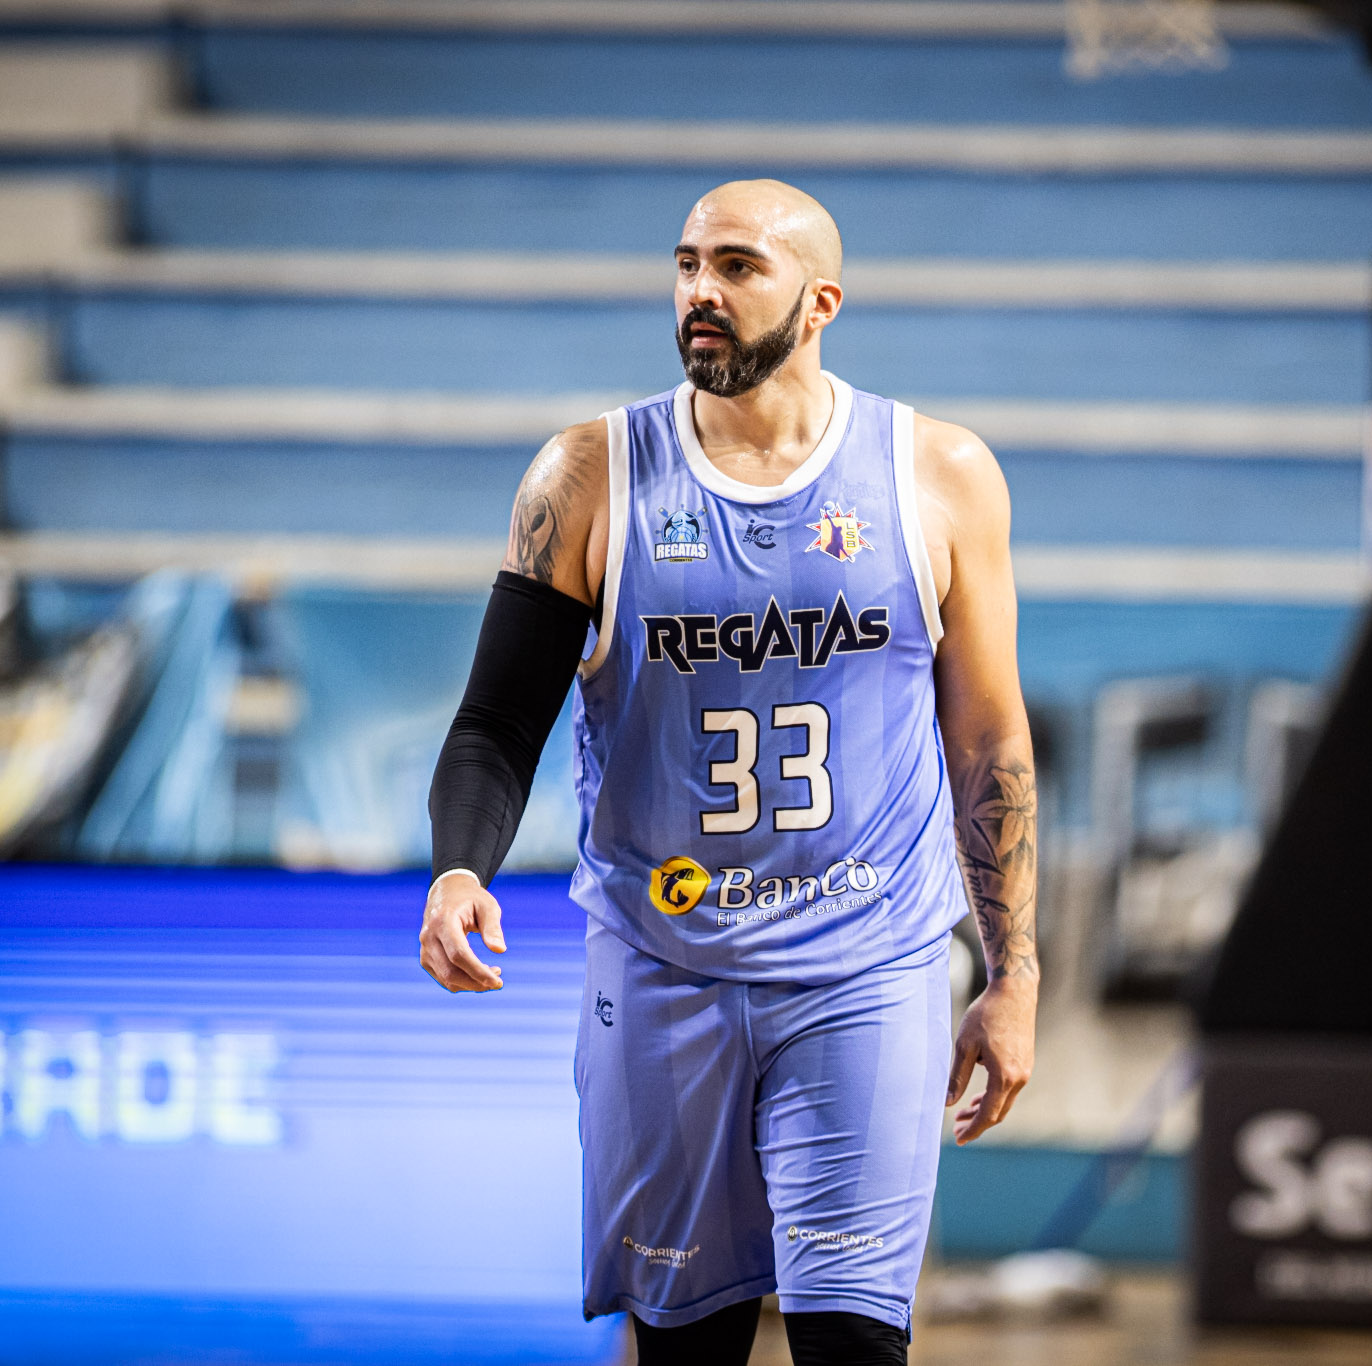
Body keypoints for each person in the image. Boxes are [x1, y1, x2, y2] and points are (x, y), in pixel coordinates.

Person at [420, 179, 1037, 1366]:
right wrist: (459, 869)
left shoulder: (939, 474)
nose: (700, 291)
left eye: (738, 267)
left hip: (866, 962)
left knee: (851, 1340)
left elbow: (987, 745)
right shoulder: (585, 476)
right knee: (683, 1348)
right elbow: (496, 721)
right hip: (662, 963)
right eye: (687, 263)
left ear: (820, 303)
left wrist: (1013, 973)